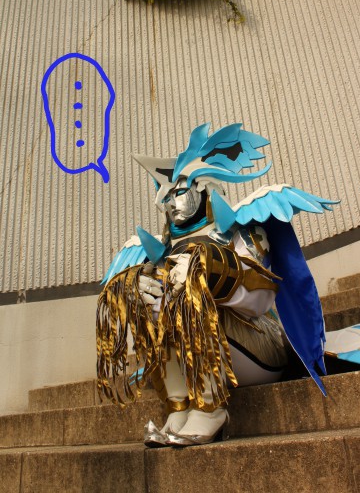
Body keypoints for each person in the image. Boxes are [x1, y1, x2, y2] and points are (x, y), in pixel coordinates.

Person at [96, 123, 338, 446]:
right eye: (166, 198)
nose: (170, 204)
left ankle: (210, 409)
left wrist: (208, 271)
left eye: (179, 193)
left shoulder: (239, 229)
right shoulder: (163, 250)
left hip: (260, 344)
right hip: (210, 353)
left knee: (186, 296)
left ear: (202, 187)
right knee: (149, 298)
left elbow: (261, 298)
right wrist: (141, 289)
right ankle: (179, 408)